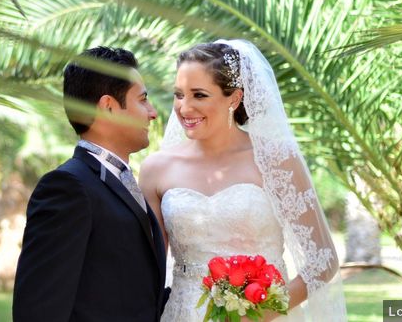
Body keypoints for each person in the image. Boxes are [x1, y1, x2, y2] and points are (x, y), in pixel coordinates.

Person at [139, 40, 346, 322]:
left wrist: (261, 312)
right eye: (178, 94)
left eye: (199, 95)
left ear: (234, 99)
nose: (184, 108)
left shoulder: (276, 160)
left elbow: (323, 261)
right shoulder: (156, 169)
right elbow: (148, 270)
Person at [13, 46, 168, 322]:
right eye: (143, 100)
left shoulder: (124, 182)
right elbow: (37, 310)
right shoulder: (67, 188)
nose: (152, 112)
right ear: (108, 107)